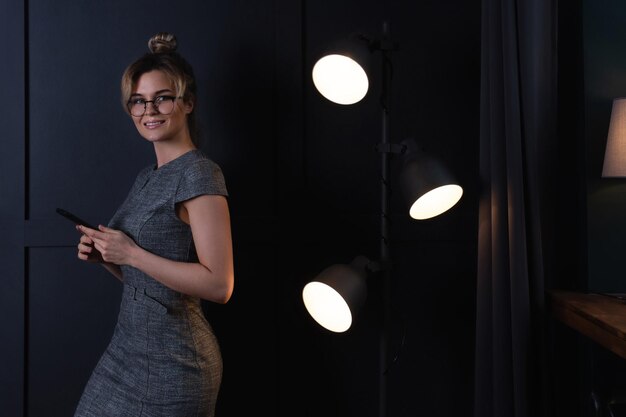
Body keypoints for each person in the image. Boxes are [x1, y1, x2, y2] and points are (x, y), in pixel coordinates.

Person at [73, 32, 234, 417]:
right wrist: (109, 257)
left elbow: (220, 284)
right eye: (138, 101)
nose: (149, 110)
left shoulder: (200, 174)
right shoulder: (148, 176)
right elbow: (148, 281)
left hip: (177, 362)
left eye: (162, 98)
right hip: (127, 349)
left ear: (188, 103)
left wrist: (131, 252)